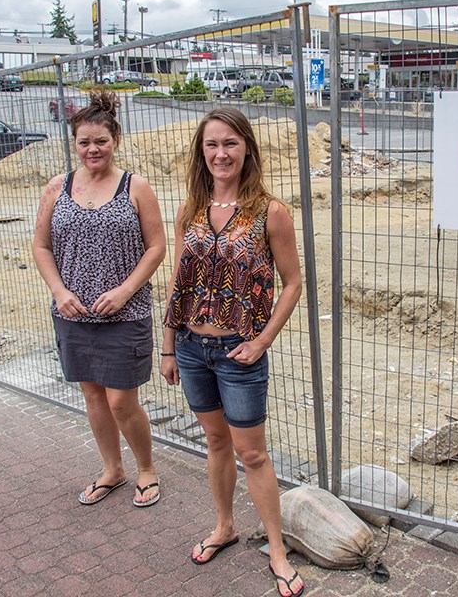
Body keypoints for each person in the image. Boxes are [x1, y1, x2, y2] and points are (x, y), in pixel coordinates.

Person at [160, 108, 305, 597]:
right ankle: (224, 526)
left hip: (238, 351)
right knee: (217, 444)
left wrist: (263, 340)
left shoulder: (270, 212)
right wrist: (167, 347)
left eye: (230, 144)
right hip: (190, 347)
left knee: (253, 453)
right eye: (211, 145)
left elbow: (293, 283)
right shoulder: (190, 212)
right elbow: (178, 283)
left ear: (247, 150)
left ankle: (278, 550)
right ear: (201, 153)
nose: (220, 153)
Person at [33, 89, 166, 508]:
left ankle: (146, 468)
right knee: (92, 397)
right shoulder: (58, 187)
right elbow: (41, 246)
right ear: (74, 144)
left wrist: (126, 290)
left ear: (116, 140)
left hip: (124, 315)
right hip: (73, 313)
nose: (93, 149)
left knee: (122, 400)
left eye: (101, 141)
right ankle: (113, 469)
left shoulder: (135, 186)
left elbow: (157, 246)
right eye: (84, 142)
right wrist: (59, 291)